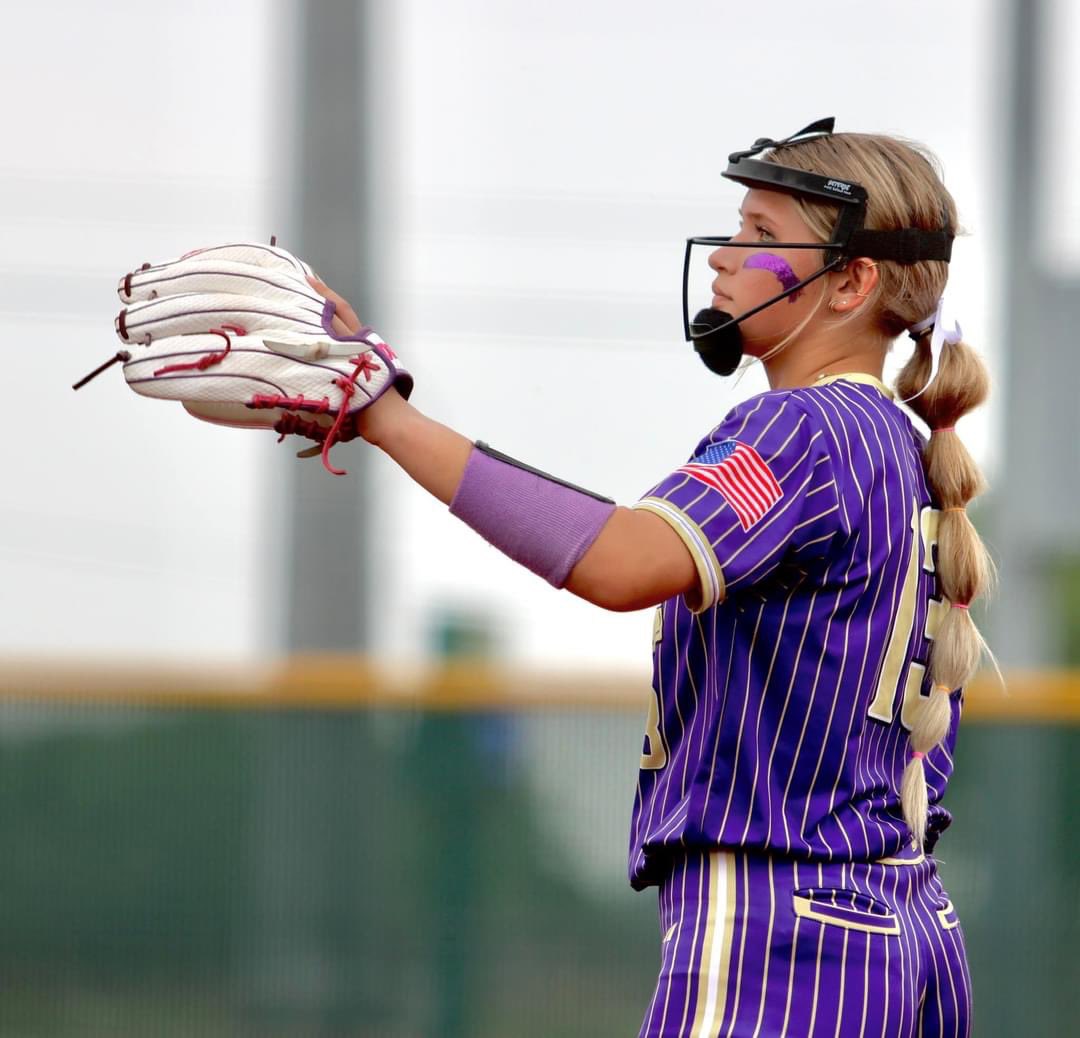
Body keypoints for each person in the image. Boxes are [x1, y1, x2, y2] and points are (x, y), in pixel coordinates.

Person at [109, 117, 990, 1037]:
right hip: (903, 926)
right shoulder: (902, 445)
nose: (727, 257)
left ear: (850, 282)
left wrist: (384, 414)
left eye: (764, 237)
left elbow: (616, 560)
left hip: (787, 936)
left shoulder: (805, 429)